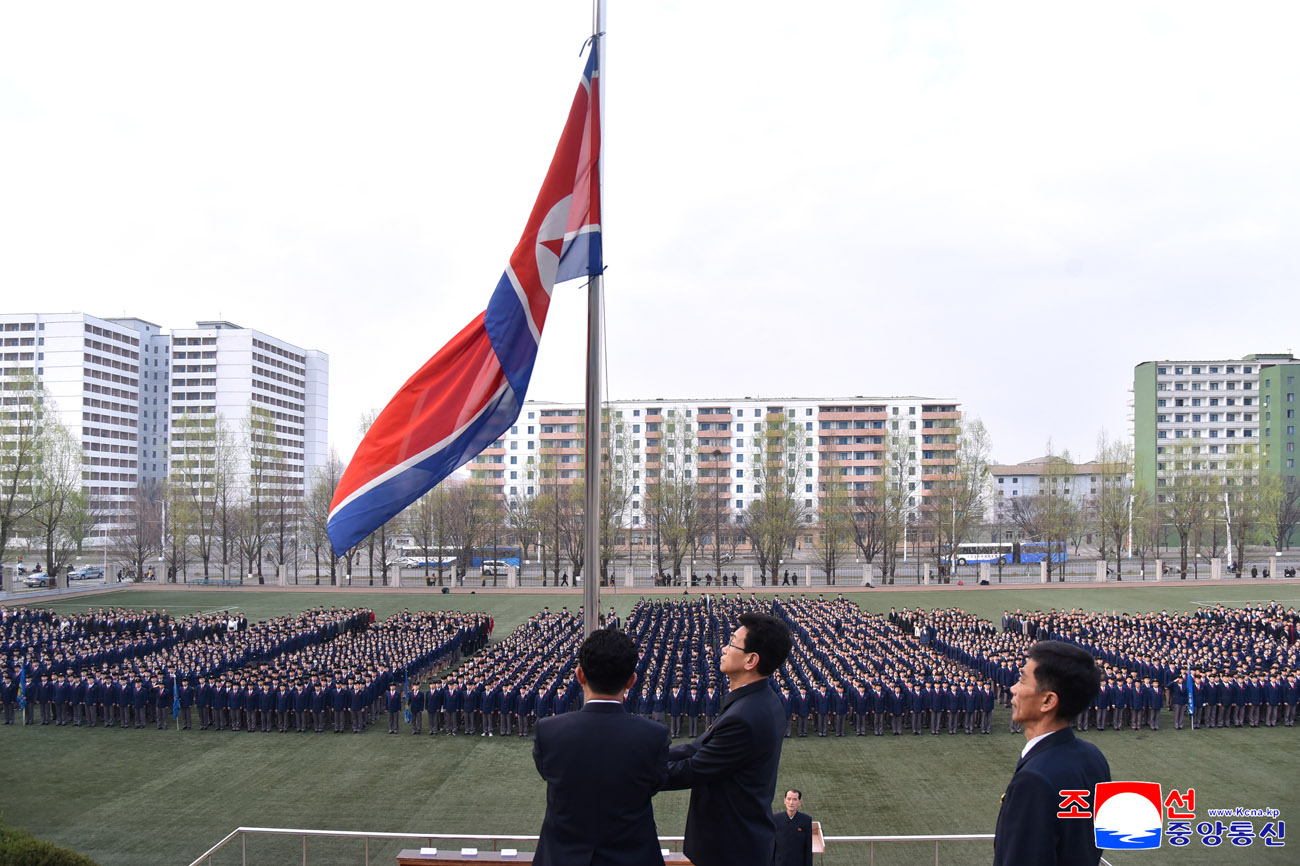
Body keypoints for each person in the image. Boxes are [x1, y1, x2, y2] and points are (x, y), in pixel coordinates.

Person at [662, 612, 793, 866]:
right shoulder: (755, 700)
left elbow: (694, 769)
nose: (723, 647)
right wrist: (647, 755)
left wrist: (632, 772)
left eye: (732, 642)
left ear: (751, 660)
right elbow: (701, 745)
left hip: (730, 849)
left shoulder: (746, 716)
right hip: (738, 841)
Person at [532, 628, 669, 866]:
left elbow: (548, 772)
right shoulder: (653, 736)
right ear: (631, 680)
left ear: (579, 675)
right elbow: (655, 781)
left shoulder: (549, 732)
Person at [994, 640, 1111, 866]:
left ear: (1048, 701)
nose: (1013, 688)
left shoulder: (1034, 779)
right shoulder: (1093, 757)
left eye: (1021, 680)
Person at [772, 788, 813, 866]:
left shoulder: (806, 820)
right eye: (789, 799)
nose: (791, 802)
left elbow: (808, 848)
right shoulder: (775, 819)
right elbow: (771, 846)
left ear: (799, 802)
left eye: (794, 799)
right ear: (785, 801)